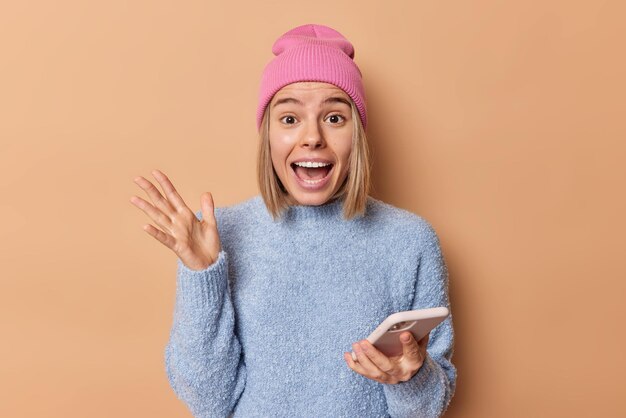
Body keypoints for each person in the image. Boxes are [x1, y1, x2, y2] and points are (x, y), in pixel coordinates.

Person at [131, 24, 456, 417]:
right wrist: (203, 274)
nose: (312, 137)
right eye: (289, 119)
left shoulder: (409, 241)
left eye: (335, 118)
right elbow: (208, 401)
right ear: (267, 134)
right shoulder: (220, 236)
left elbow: (425, 410)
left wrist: (411, 378)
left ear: (358, 135)